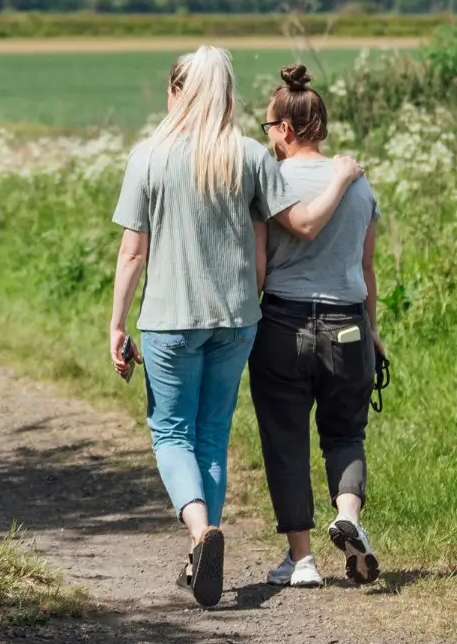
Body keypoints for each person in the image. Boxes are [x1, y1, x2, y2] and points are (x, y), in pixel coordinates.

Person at [108, 46, 363, 609]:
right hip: (237, 320)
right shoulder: (250, 156)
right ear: (227, 93)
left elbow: (132, 254)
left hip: (170, 321)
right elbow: (274, 235)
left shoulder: (147, 157)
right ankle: (204, 548)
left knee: (171, 432)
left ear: (177, 92)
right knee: (212, 435)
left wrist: (116, 323)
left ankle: (201, 534)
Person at [252, 64, 384, 589]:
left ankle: (301, 559)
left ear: (285, 129)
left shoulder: (272, 180)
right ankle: (347, 514)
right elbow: (368, 266)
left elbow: (260, 264)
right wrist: (372, 329)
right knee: (346, 432)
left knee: (285, 439)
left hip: (283, 324)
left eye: (267, 128)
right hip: (350, 326)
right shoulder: (358, 182)